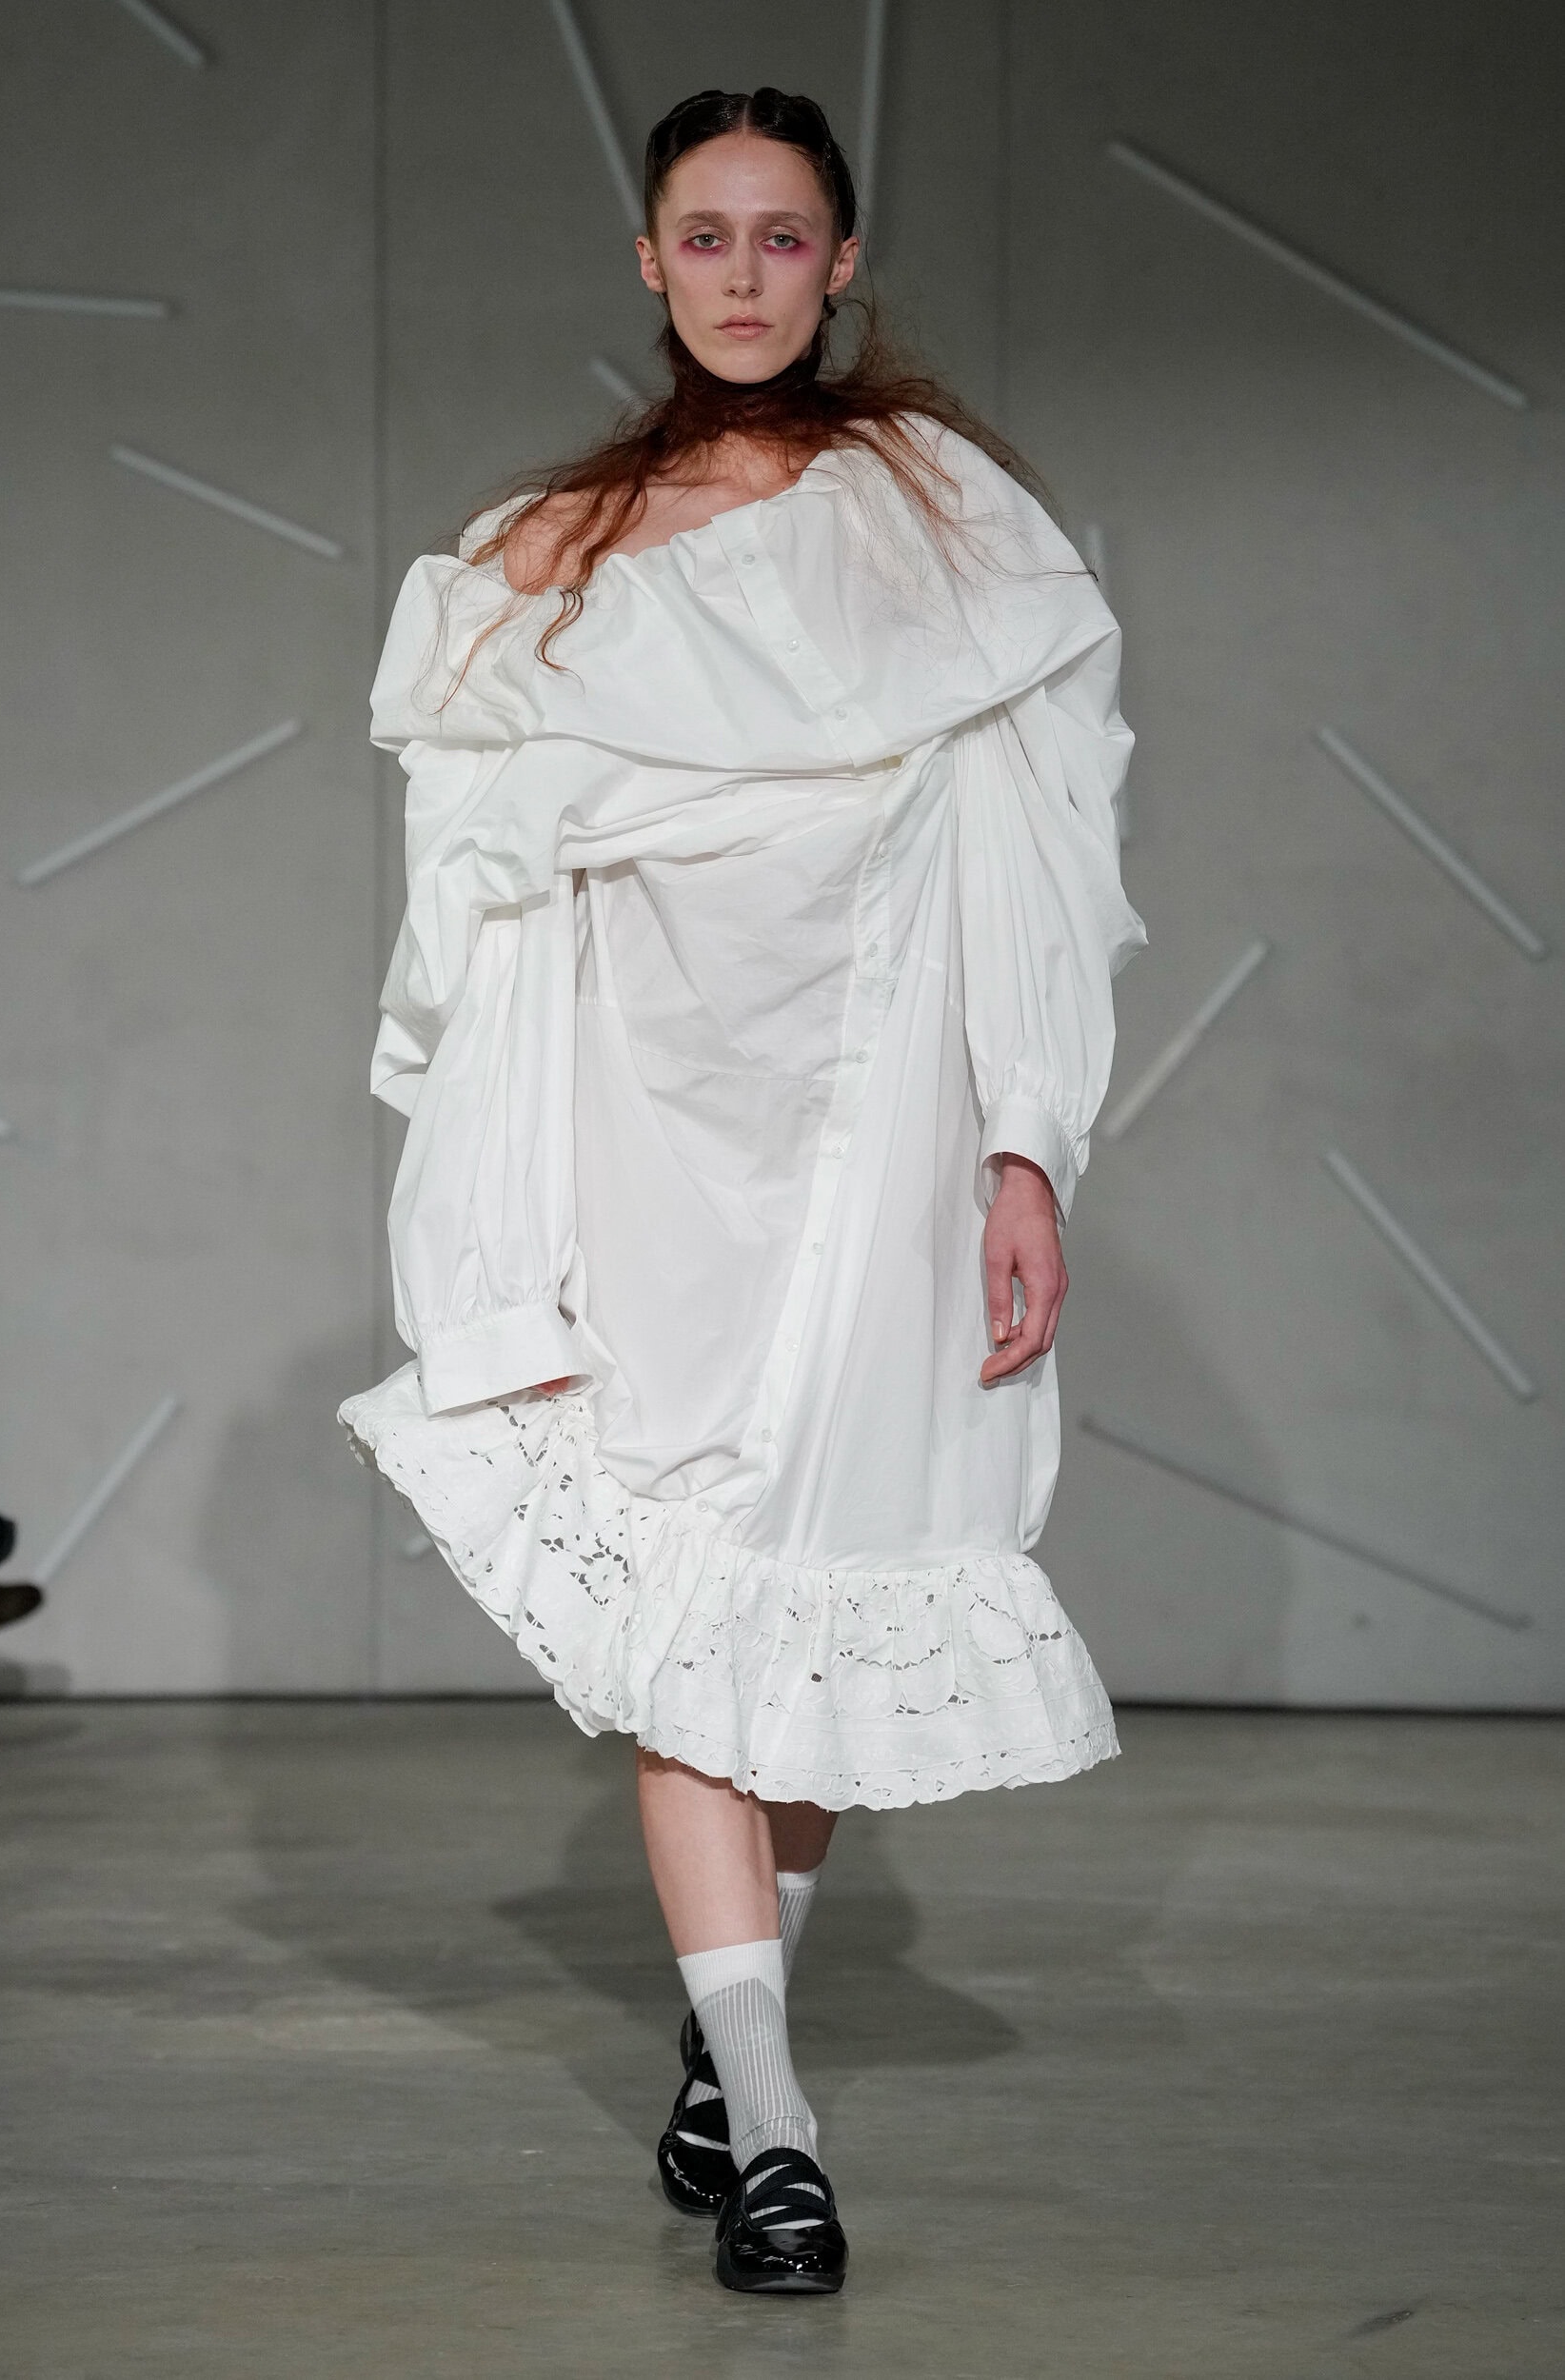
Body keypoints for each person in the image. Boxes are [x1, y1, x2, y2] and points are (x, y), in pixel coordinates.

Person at [338, 85, 1145, 2295]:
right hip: (649, 1144)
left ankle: (728, 2043)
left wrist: (1025, 1139)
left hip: (881, 1134)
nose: (744, 274)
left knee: (817, 1599)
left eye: (784, 236)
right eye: (705, 234)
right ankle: (775, 2121)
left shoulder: (944, 523)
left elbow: (1042, 850)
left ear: (841, 261)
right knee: (691, 1620)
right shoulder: (554, 545)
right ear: (650, 259)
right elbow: (482, 875)